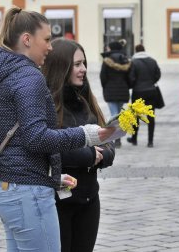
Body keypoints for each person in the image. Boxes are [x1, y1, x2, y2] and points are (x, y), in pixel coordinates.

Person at [0, 7, 114, 252]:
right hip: (29, 195)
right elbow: (35, 137)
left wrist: (51, 177)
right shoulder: (28, 77)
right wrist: (87, 134)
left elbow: (17, 142)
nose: (50, 47)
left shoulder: (5, 75)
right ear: (27, 40)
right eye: (46, 40)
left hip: (9, 189)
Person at [43, 38, 115, 252]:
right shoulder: (46, 105)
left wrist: (105, 155)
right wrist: (88, 155)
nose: (83, 69)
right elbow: (45, 146)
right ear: (61, 66)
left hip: (89, 198)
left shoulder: (85, 101)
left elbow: (106, 143)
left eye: (84, 63)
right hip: (58, 202)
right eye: (77, 64)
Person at [126, 44, 161, 147]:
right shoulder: (152, 61)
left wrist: (133, 85)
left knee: (136, 116)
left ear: (136, 51)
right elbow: (158, 74)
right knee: (150, 116)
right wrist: (151, 82)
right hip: (151, 91)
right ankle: (150, 141)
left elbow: (131, 78)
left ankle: (134, 139)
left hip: (138, 92)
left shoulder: (133, 62)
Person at [100, 40, 131, 147]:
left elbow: (103, 77)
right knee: (120, 115)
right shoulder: (125, 60)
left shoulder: (107, 61)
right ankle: (118, 138)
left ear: (112, 48)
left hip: (110, 91)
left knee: (114, 115)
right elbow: (130, 78)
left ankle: (115, 138)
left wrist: (106, 87)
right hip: (123, 91)